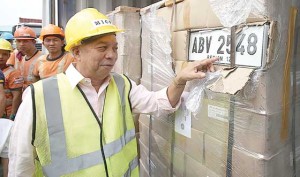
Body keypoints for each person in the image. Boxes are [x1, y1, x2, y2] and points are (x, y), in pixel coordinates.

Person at [8, 8, 217, 177]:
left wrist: (179, 80)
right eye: (102, 48)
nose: (112, 55)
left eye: (115, 48)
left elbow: (159, 103)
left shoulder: (122, 85)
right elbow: (21, 163)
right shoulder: (39, 97)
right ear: (77, 52)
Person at [0, 39, 23, 120]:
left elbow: (17, 96)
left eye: (4, 54)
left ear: (9, 56)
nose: (1, 57)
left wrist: (13, 115)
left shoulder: (13, 73)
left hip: (6, 114)